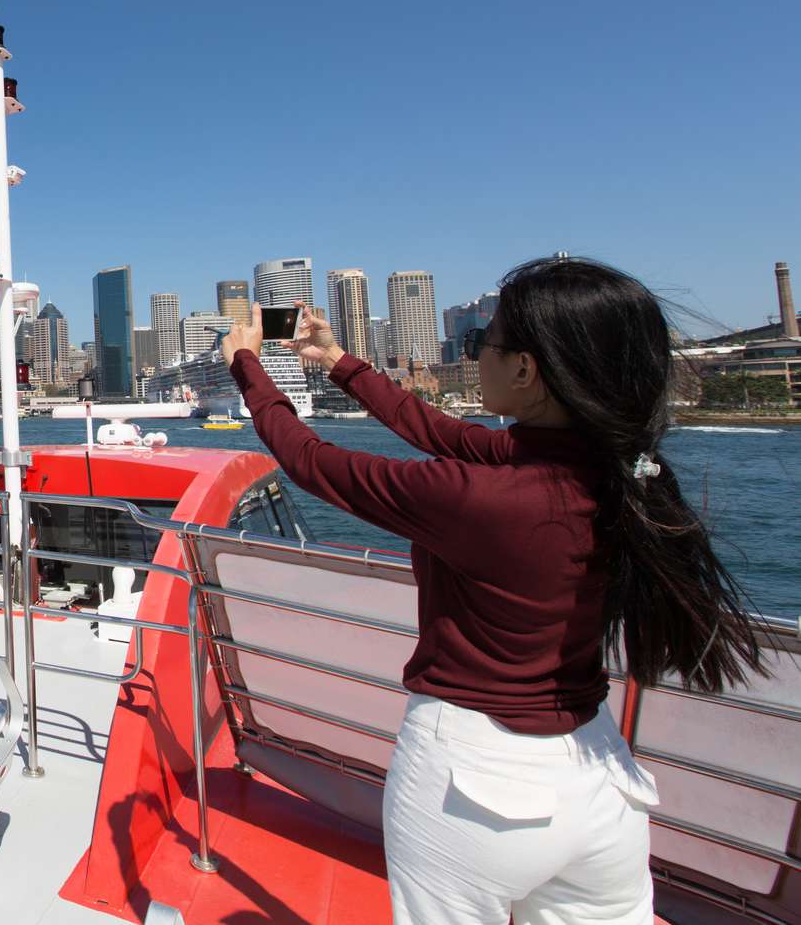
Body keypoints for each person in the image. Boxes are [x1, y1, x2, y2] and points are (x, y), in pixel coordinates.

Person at [219, 256, 765, 925]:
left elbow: (310, 461)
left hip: (473, 787)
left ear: (528, 369)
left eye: (486, 342)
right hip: (599, 783)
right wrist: (335, 359)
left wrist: (247, 364)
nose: (477, 355)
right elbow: (439, 430)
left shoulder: (482, 499)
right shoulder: (613, 471)